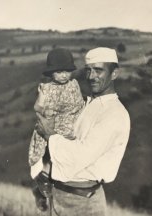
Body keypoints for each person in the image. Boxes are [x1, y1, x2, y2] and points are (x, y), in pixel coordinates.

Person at [35, 47, 131, 216]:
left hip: (84, 203)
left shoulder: (114, 114)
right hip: (58, 195)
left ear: (114, 73)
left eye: (99, 70)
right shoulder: (87, 104)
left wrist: (49, 135)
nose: (91, 76)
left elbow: (80, 155)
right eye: (88, 70)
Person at [29, 48, 84, 211]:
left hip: (71, 125)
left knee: (67, 160)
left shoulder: (74, 85)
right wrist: (45, 110)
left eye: (67, 71)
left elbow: (79, 103)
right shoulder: (46, 88)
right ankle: (42, 185)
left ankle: (59, 189)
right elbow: (37, 106)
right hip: (53, 124)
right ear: (51, 72)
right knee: (50, 156)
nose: (64, 75)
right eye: (59, 72)